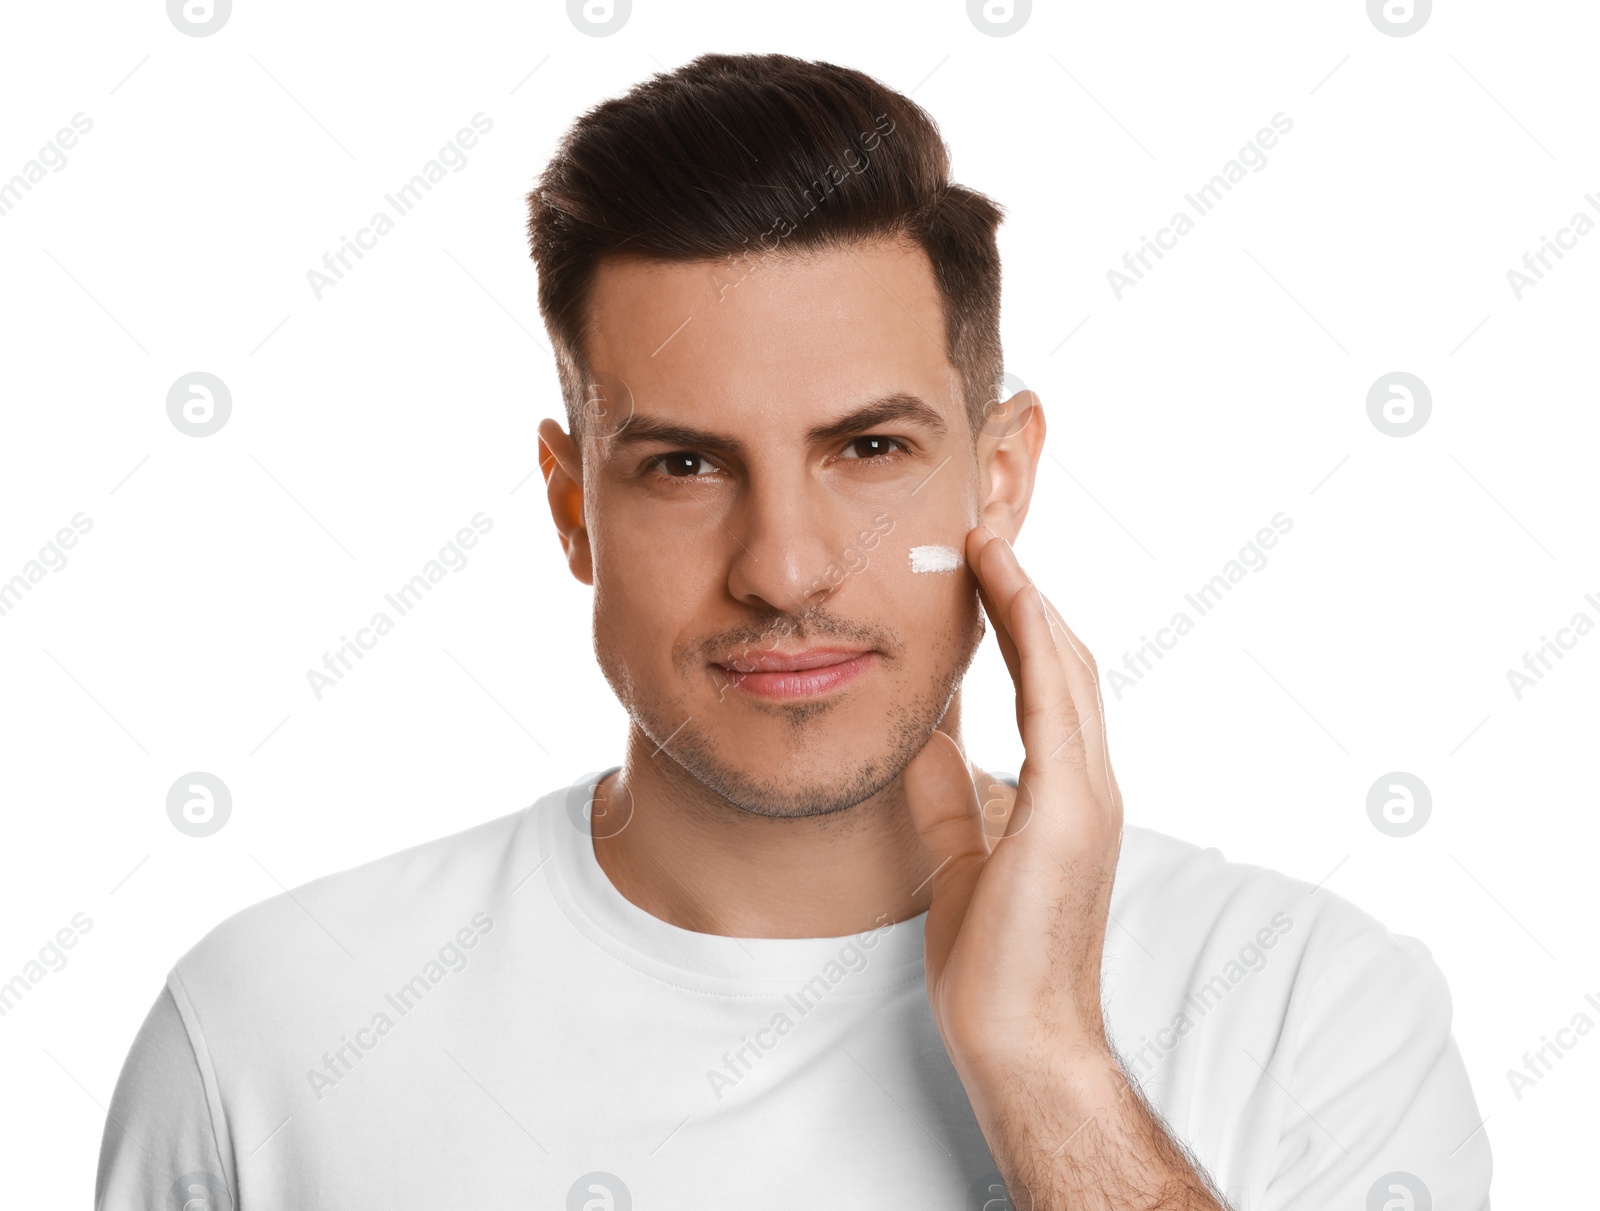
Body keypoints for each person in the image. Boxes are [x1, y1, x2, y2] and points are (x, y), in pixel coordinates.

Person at [96, 53, 1491, 1210]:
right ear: (571, 506)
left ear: (997, 475)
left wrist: (1045, 1065)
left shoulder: (1315, 1011)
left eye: (870, 448)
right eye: (685, 467)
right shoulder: (271, 1034)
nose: (784, 567)